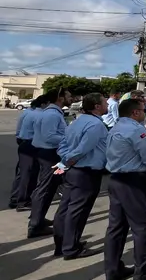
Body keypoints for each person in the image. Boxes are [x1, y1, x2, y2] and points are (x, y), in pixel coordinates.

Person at [105, 98, 146, 280]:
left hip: (116, 179)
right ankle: (143, 270)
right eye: (144, 110)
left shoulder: (115, 127)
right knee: (142, 226)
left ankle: (113, 269)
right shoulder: (136, 129)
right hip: (133, 181)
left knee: (116, 227)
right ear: (135, 112)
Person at [52, 92, 108, 259]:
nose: (107, 105)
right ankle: (71, 248)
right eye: (105, 102)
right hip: (86, 172)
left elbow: (62, 144)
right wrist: (69, 160)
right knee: (77, 212)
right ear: (97, 107)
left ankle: (62, 244)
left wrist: (65, 160)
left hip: (73, 171)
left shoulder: (77, 121)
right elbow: (84, 149)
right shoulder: (96, 125)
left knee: (65, 208)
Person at [28, 88, 72, 238]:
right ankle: (35, 225)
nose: (71, 98)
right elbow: (49, 136)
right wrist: (70, 140)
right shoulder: (52, 115)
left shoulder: (52, 113)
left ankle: (38, 219)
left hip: (51, 154)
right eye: (68, 95)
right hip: (50, 155)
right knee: (45, 188)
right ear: (60, 98)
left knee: (49, 186)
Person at [11, 95, 45, 211]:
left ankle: (15, 199)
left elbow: (19, 129)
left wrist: (19, 138)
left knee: (22, 173)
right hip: (32, 145)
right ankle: (23, 202)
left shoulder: (27, 113)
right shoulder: (40, 115)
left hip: (24, 143)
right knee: (29, 174)